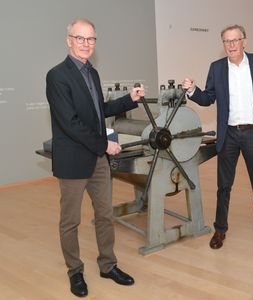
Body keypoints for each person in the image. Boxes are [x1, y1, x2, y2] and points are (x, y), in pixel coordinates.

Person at [46, 19, 145, 297]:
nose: (86, 44)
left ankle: (108, 265)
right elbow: (70, 122)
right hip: (74, 161)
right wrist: (105, 145)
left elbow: (98, 111)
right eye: (80, 38)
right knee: (71, 222)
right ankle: (75, 272)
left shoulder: (93, 73)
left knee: (104, 215)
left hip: (97, 162)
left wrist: (129, 99)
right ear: (69, 40)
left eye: (91, 39)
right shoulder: (57, 76)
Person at [182, 24, 253, 251]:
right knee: (223, 186)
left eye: (235, 40)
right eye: (227, 41)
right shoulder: (217, 68)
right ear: (223, 45)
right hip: (229, 135)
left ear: (244, 41)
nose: (231, 45)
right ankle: (220, 229)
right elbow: (208, 98)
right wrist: (193, 91)